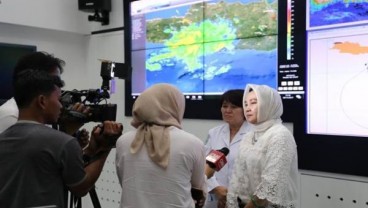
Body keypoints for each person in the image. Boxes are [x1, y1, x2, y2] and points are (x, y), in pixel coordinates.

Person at [0, 69, 123, 208]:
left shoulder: (3, 138)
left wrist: (89, 150)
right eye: (59, 100)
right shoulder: (62, 142)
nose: (61, 106)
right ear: (42, 101)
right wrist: (105, 148)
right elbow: (81, 188)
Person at [115, 83, 207, 208]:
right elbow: (197, 190)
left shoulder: (123, 141)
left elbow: (125, 182)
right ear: (176, 106)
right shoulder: (193, 143)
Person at [226, 84, 298, 208]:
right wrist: (231, 202)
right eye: (246, 104)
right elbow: (237, 176)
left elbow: (271, 184)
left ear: (269, 104)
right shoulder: (249, 135)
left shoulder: (280, 135)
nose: (248, 108)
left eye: (253, 103)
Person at [0, 51, 89, 146]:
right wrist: (67, 136)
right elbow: (35, 158)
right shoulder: (11, 116)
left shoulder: (36, 115)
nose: (59, 89)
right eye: (56, 82)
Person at [204, 89, 250, 208]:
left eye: (234, 107)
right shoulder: (214, 133)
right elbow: (204, 165)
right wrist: (216, 188)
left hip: (244, 200)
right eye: (225, 106)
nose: (228, 110)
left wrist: (232, 195)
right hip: (215, 198)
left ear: (245, 110)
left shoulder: (254, 134)